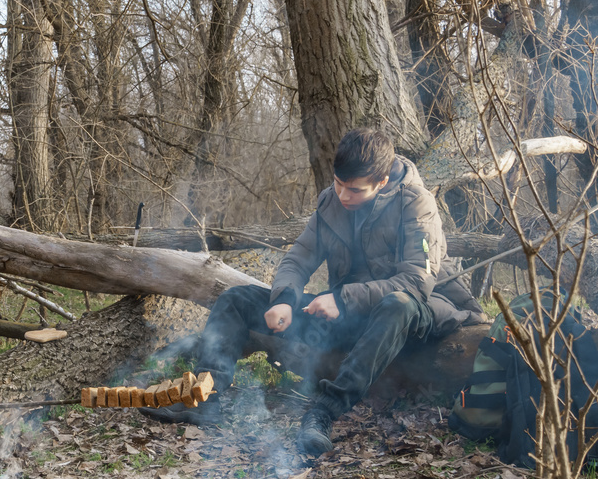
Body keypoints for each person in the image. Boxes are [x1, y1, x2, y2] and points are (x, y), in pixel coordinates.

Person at [142, 128, 486, 454]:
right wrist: (285, 300)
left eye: (354, 190)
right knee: (237, 298)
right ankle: (206, 397)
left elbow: (415, 283)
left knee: (398, 304)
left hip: (416, 314)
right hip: (350, 319)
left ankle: (323, 412)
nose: (342, 195)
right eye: (338, 184)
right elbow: (298, 259)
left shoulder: (417, 204)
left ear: (381, 182)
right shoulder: (331, 202)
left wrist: (342, 299)